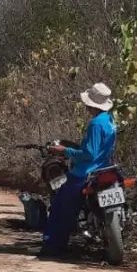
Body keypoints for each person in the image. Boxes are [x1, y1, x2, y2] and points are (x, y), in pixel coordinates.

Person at [39, 81, 118, 259]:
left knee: (60, 204)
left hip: (85, 173)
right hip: (105, 168)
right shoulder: (110, 121)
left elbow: (88, 154)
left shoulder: (95, 124)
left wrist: (64, 151)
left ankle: (53, 246)